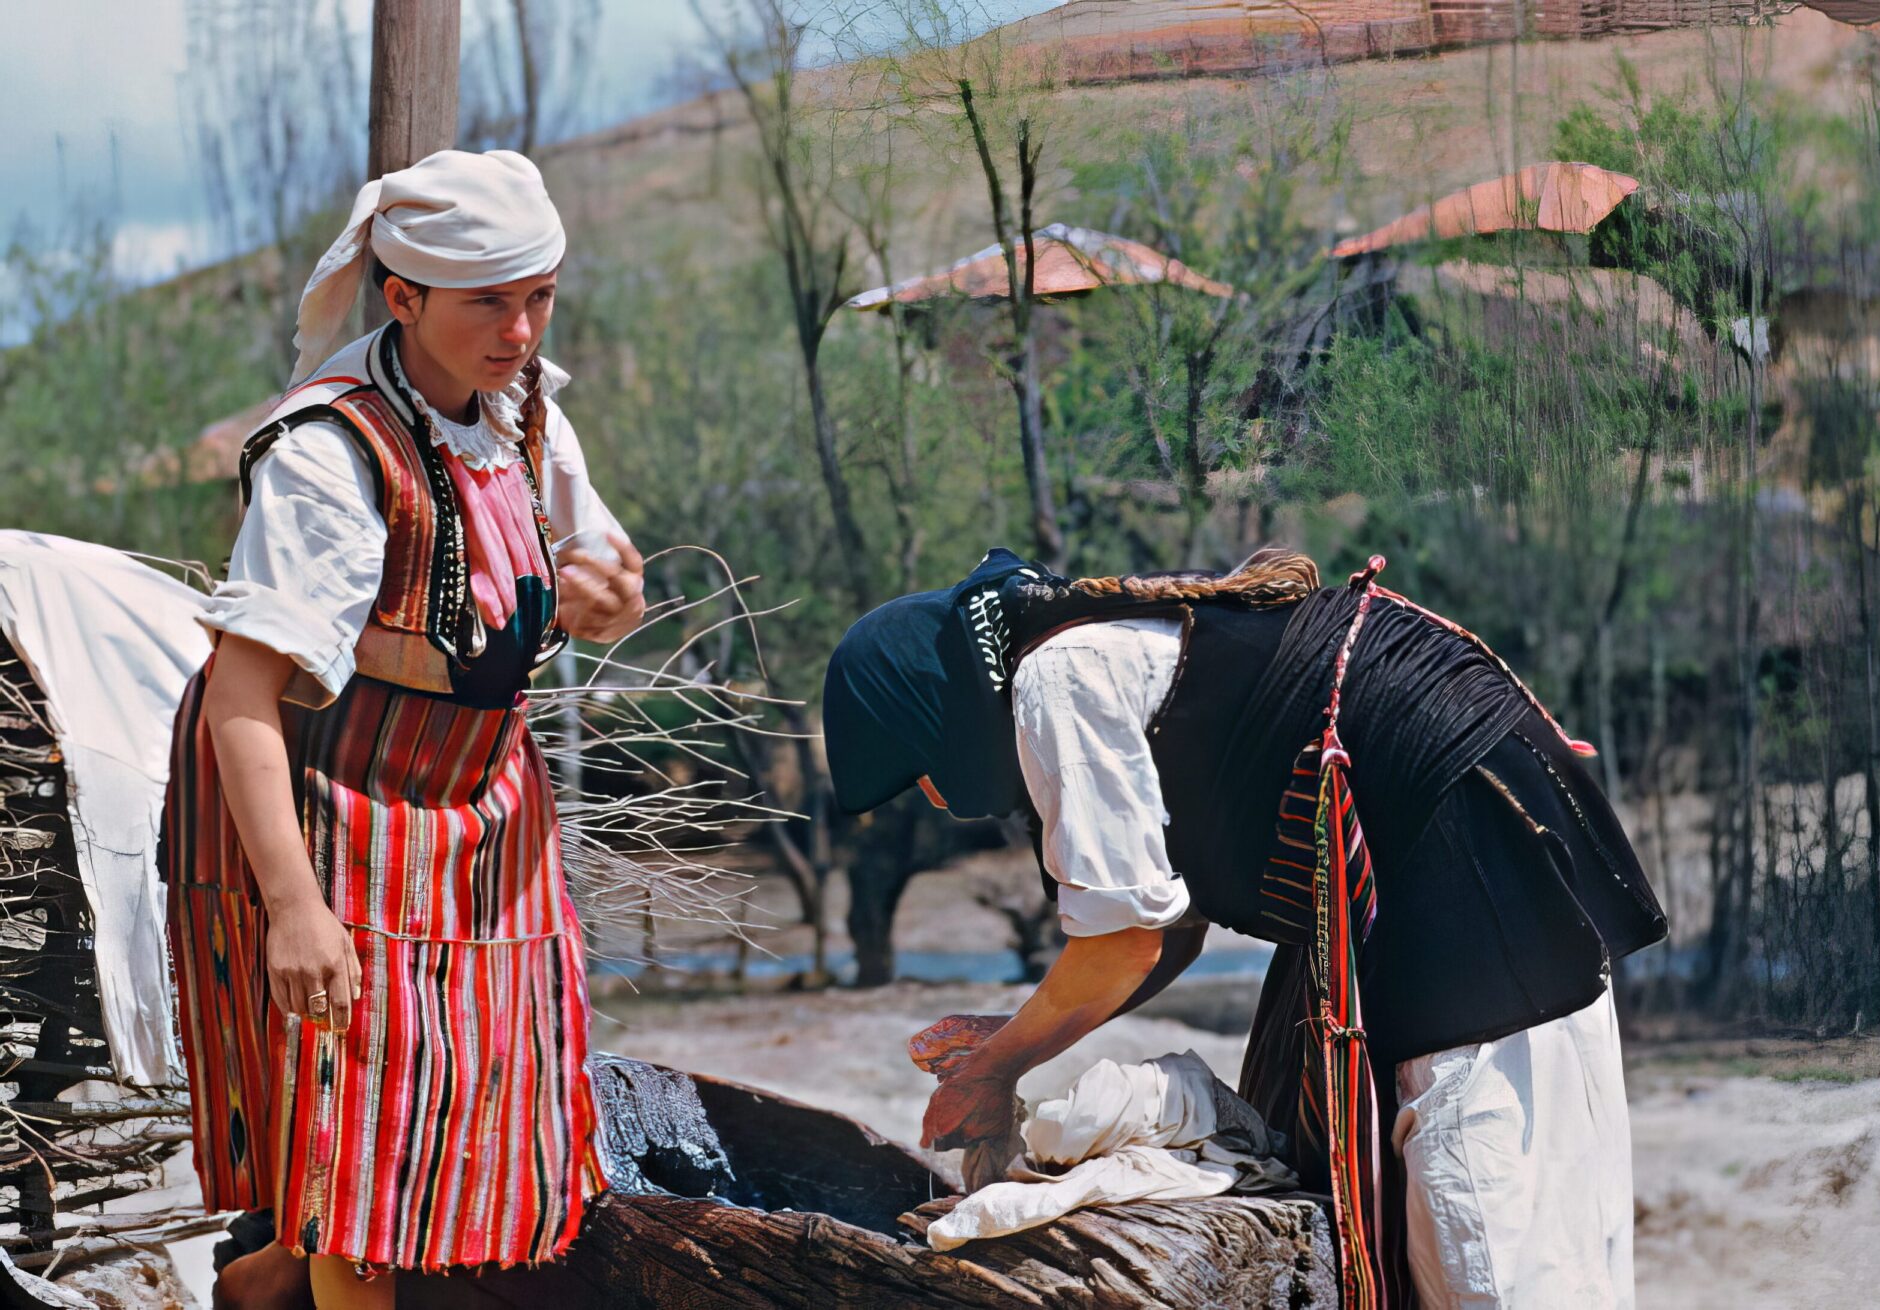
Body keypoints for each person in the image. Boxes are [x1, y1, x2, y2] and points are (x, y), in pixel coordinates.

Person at [822, 547, 1667, 1310]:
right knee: (1511, 1232)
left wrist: (994, 1069)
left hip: (1469, 877)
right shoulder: (1096, 650)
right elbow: (1170, 923)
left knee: (1485, 1235)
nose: (935, 798)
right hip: (1476, 862)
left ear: (940, 707)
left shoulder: (1058, 677)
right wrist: (1010, 1042)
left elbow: (1124, 943)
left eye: (921, 771)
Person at [161, 149, 646, 1310]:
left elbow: (605, 573)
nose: (522, 329)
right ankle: (308, 1274)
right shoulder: (331, 454)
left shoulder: (528, 419)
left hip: (476, 802)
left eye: (540, 295)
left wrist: (605, 600)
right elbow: (241, 691)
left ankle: (266, 1283)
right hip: (326, 794)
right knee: (360, 1125)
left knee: (464, 1099)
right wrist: (293, 906)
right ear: (403, 296)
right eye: (491, 300)